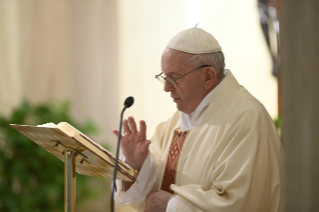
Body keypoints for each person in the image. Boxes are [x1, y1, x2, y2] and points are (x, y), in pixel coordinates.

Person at [112, 26, 283, 212]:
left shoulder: (247, 119)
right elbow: (149, 194)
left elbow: (240, 203)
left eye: (175, 77)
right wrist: (137, 166)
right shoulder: (174, 123)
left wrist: (171, 206)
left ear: (208, 76)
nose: (166, 88)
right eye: (165, 77)